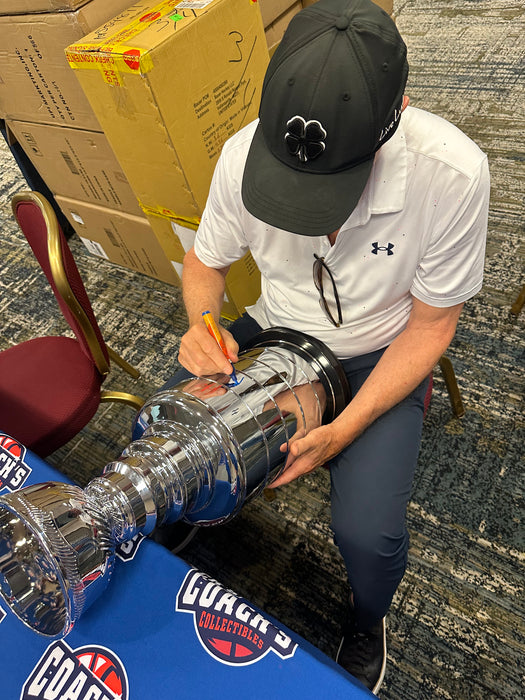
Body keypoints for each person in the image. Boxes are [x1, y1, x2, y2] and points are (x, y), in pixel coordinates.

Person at [162, 0, 490, 693]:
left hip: (378, 351)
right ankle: (188, 517)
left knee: (368, 533)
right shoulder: (239, 153)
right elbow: (204, 264)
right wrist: (201, 321)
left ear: (395, 109)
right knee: (171, 428)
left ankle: (367, 618)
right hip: (275, 325)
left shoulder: (452, 174)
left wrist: (342, 431)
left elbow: (431, 328)